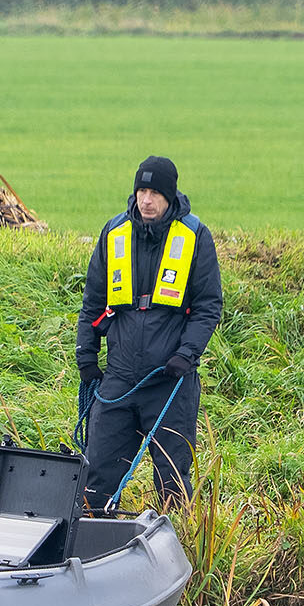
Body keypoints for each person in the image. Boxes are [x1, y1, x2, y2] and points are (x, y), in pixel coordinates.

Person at [77, 156, 223, 512]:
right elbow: (93, 301)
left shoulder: (194, 236)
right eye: (142, 191)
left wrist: (186, 354)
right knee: (94, 483)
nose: (146, 200)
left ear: (169, 196)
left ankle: (179, 552)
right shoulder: (114, 233)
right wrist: (86, 355)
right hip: (119, 380)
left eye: (155, 192)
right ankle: (94, 548)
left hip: (170, 382)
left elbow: (208, 305)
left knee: (173, 481)